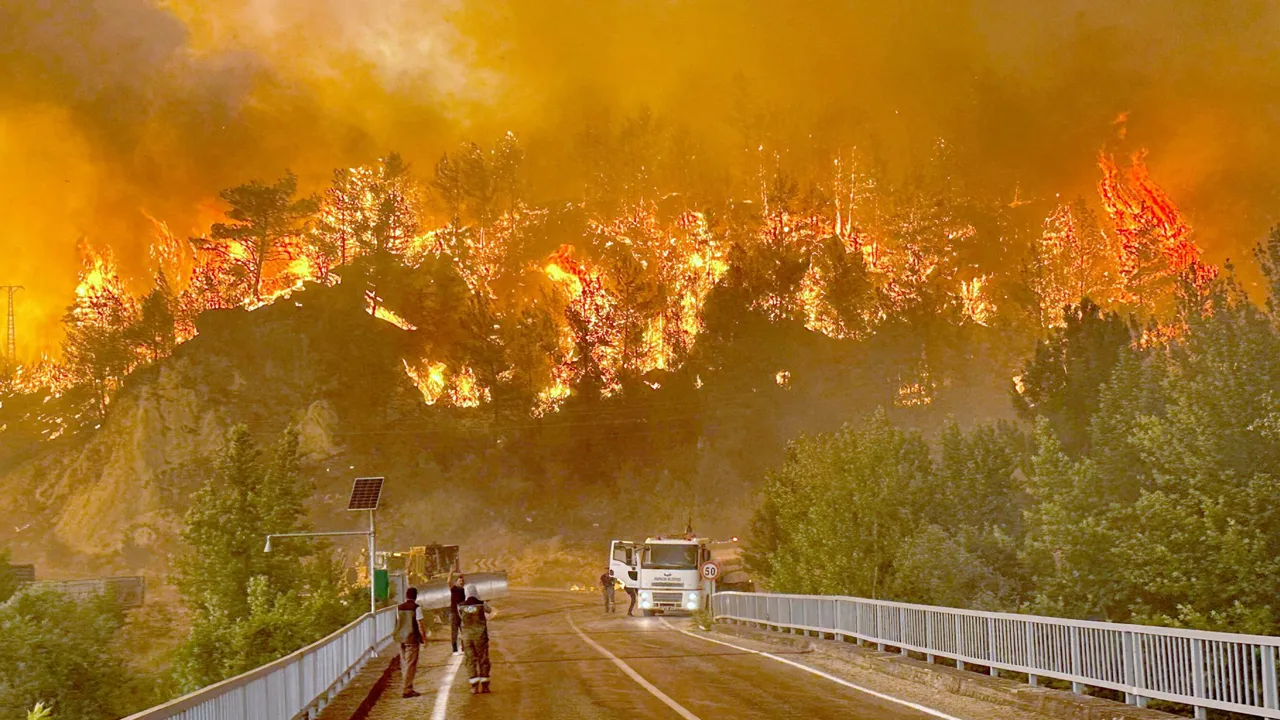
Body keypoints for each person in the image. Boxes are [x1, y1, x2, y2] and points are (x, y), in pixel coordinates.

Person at [458, 583, 495, 694]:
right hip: (481, 636)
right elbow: (491, 611)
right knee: (483, 659)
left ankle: (474, 686)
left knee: (470, 660)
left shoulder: (460, 606)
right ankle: (485, 686)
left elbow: (460, 618)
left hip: (467, 637)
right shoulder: (482, 604)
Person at [392, 587, 426, 698]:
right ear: (415, 597)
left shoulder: (399, 608)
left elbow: (397, 623)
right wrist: (424, 638)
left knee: (404, 663)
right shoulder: (416, 608)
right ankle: (407, 689)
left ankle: (406, 686)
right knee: (410, 664)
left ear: (406, 596)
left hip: (400, 638)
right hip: (411, 638)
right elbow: (420, 624)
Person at [448, 570, 466, 655]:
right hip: (454, 614)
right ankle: (454, 650)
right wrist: (451, 572)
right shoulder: (453, 589)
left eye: (462, 581)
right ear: (456, 582)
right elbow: (448, 581)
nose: (461, 582)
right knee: (454, 632)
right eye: (460, 581)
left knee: (463, 631)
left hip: (462, 614)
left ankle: (463, 648)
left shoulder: (464, 590)